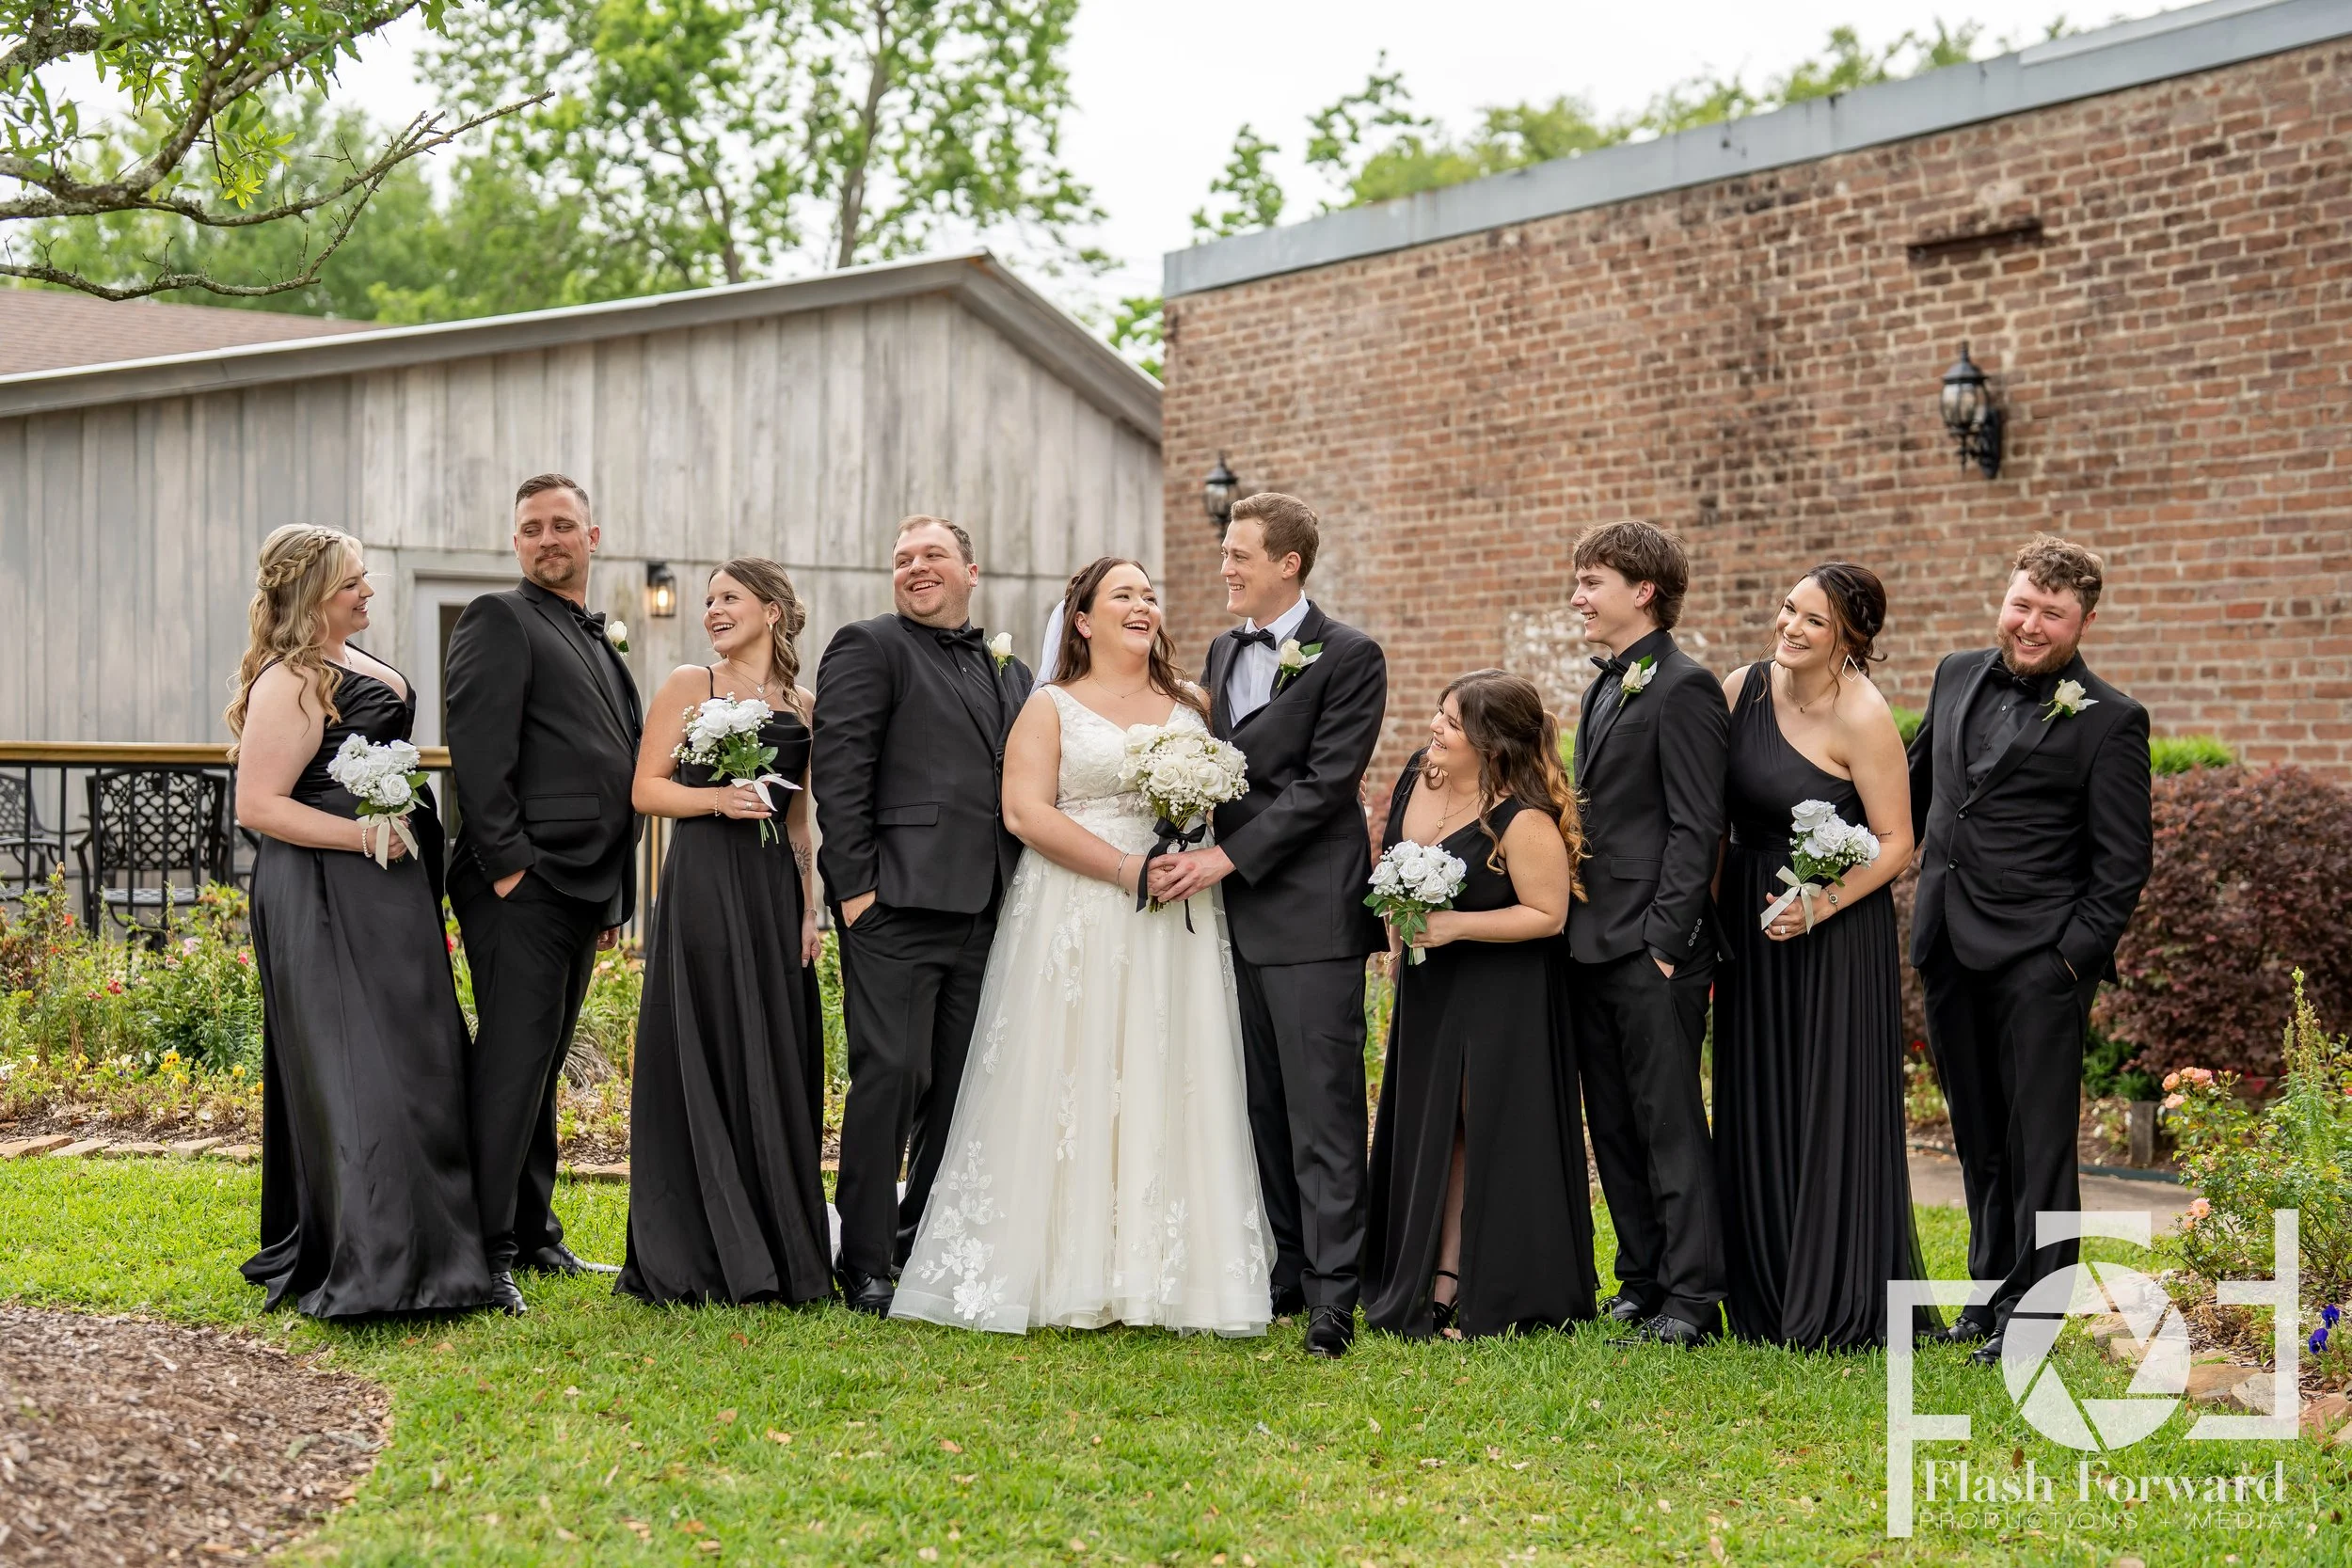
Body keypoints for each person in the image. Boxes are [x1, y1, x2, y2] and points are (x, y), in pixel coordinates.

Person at [892, 558, 1271, 1336]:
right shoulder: (1050, 705)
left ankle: (1160, 1270)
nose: (1143, 605)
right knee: (1075, 1069)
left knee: (1167, 1065)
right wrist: (1127, 868)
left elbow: (1220, 803)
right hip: (1079, 906)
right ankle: (1064, 1264)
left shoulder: (1192, 703)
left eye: (1150, 595)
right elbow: (1025, 813)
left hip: (1176, 910)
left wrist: (1188, 847)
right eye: (1123, 595)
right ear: (1085, 621)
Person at [229, 525, 494, 1319]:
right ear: (314, 594)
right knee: (358, 1061)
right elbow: (258, 805)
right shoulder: (290, 679)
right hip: (322, 886)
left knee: (417, 1053)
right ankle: (378, 1258)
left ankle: (438, 1247)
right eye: (352, 582)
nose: (367, 591)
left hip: (388, 887)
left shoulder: (350, 662)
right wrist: (361, 836)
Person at [1152, 491, 1388, 1359]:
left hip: (1311, 915)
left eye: (1238, 555)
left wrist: (1226, 857)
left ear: (1288, 564)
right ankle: (1285, 1270)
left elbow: (1325, 787)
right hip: (1233, 919)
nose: (1225, 567)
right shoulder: (1222, 649)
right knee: (1260, 1104)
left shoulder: (1352, 655)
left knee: (1323, 1108)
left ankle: (1334, 1294)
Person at [1910, 535, 2152, 1366]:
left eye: (2053, 612)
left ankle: (2034, 1317)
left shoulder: (2111, 719)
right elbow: (1912, 788)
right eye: (2022, 604)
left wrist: (2067, 962)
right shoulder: (1953, 674)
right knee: (1978, 1135)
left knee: (2038, 1148)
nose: (2031, 623)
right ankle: (1987, 1295)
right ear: (2004, 599)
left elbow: (2123, 863)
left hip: (2039, 963)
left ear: (2085, 621)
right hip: (1946, 942)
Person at [814, 515, 1034, 1315]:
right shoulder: (868, 646)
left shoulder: (1012, 670)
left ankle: (919, 1240)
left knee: (960, 1087)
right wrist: (855, 891)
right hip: (896, 905)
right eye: (903, 557)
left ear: (971, 571)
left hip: (986, 909)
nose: (916, 566)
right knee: (892, 1074)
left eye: (933, 554)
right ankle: (865, 1257)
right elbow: (840, 770)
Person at [1712, 565, 1931, 1351]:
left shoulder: (1863, 715)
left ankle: (1832, 1293)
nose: (1790, 627)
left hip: (1835, 931)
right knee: (1754, 1093)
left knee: (1825, 1100)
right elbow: (1713, 816)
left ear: (1850, 638)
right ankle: (1762, 1289)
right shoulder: (1740, 689)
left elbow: (1897, 841)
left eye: (1814, 620)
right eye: (1787, 609)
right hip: (1749, 917)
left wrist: (1818, 904)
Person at [445, 474, 644, 1315]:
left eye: (563, 524)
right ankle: (482, 1252)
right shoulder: (499, 618)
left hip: (580, 886)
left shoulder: (595, 638)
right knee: (512, 1065)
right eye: (532, 527)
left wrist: (610, 894)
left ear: (592, 536)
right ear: (516, 541)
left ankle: (534, 1232)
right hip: (523, 885)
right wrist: (510, 867)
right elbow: (476, 748)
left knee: (541, 1064)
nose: (547, 538)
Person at [615, 559, 831, 1307]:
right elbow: (645, 788)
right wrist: (716, 800)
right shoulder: (691, 684)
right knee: (708, 1036)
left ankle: (775, 1235)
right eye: (708, 600)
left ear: (771, 611)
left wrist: (807, 907)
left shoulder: (804, 705)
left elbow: (799, 821)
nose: (712, 610)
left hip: (773, 891)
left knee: (771, 1042)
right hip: (706, 881)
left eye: (728, 597)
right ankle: (703, 1241)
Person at [1361, 671, 1594, 1340]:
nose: (1435, 727)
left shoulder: (1521, 817)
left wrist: (1455, 925)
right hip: (1432, 985)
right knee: (1438, 1125)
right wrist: (1399, 924)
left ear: (1490, 745)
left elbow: (1548, 915)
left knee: (1483, 1125)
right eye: (1440, 712)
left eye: (1452, 722)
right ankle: (1435, 1273)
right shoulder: (1419, 773)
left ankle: (1487, 1283)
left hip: (1504, 992)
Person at [1565, 520, 1728, 1350]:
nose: (1578, 596)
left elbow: (1699, 826)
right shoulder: (1602, 687)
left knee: (1668, 1123)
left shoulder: (1686, 688)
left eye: (1592, 581)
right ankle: (1641, 1280)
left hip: (1651, 947)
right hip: (1589, 939)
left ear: (1644, 590)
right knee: (1614, 1122)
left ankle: (1694, 1298)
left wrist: (1665, 942)